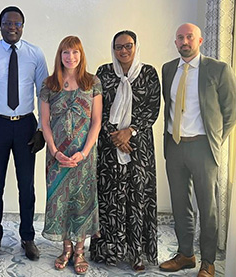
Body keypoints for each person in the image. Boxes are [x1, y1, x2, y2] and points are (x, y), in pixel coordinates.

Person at [159, 23, 236, 277]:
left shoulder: (218, 69)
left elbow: (230, 112)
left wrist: (215, 139)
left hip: (204, 147)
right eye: (179, 37)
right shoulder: (168, 69)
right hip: (175, 145)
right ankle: (186, 255)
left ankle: (208, 262)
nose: (184, 41)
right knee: (180, 206)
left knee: (208, 207)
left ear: (200, 40)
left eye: (189, 37)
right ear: (175, 42)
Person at [0, 6, 48, 262]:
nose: (12, 27)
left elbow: (44, 94)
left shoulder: (35, 54)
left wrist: (41, 129)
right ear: (0, 25)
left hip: (27, 124)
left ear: (23, 26)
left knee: (26, 186)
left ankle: (28, 237)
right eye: (7, 23)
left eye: (17, 24)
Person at [89, 30, 160, 270]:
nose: (123, 51)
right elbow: (96, 108)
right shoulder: (104, 73)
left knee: (137, 198)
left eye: (128, 46)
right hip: (109, 147)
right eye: (119, 47)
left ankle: (137, 254)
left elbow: (152, 108)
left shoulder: (149, 73)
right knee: (111, 199)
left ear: (135, 46)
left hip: (139, 148)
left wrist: (129, 131)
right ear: (113, 49)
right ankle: (109, 252)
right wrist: (115, 136)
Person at [40, 36, 102, 275]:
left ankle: (79, 251)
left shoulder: (92, 82)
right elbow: (44, 122)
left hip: (84, 156)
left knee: (81, 200)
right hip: (57, 155)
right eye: (66, 52)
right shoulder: (49, 84)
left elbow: (96, 122)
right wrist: (55, 151)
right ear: (60, 55)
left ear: (81, 55)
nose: (70, 57)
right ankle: (65, 249)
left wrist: (84, 152)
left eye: (75, 52)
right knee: (60, 201)